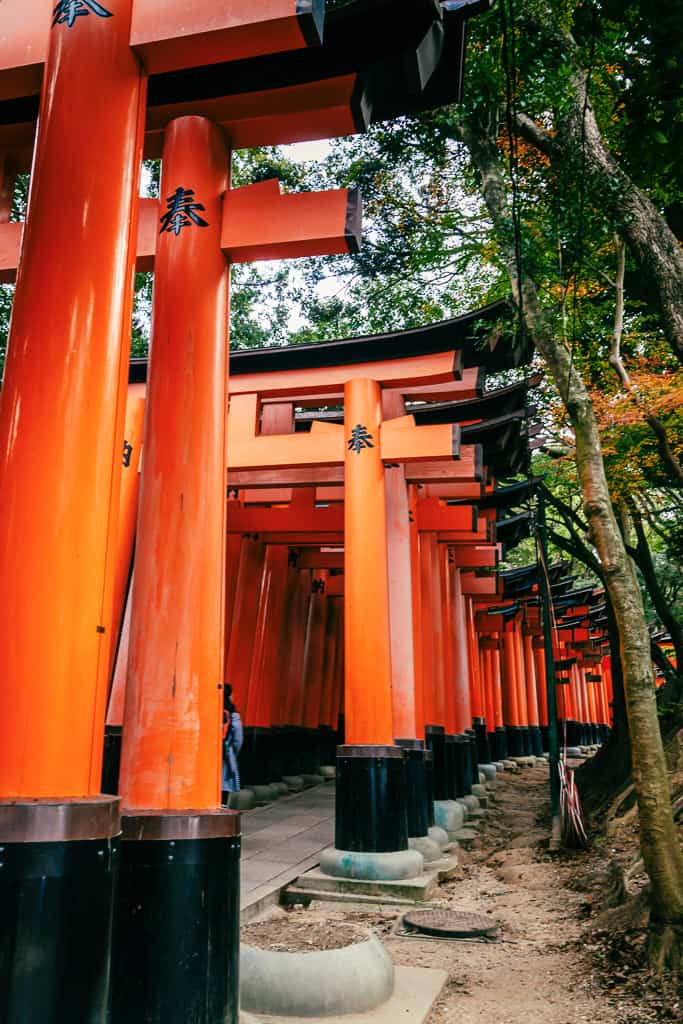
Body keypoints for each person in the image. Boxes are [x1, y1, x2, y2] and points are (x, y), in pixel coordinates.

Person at [221, 684, 243, 804]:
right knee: (223, 785)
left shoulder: (208, 711)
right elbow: (238, 740)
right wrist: (232, 753)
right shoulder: (233, 716)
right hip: (224, 755)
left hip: (206, 756)